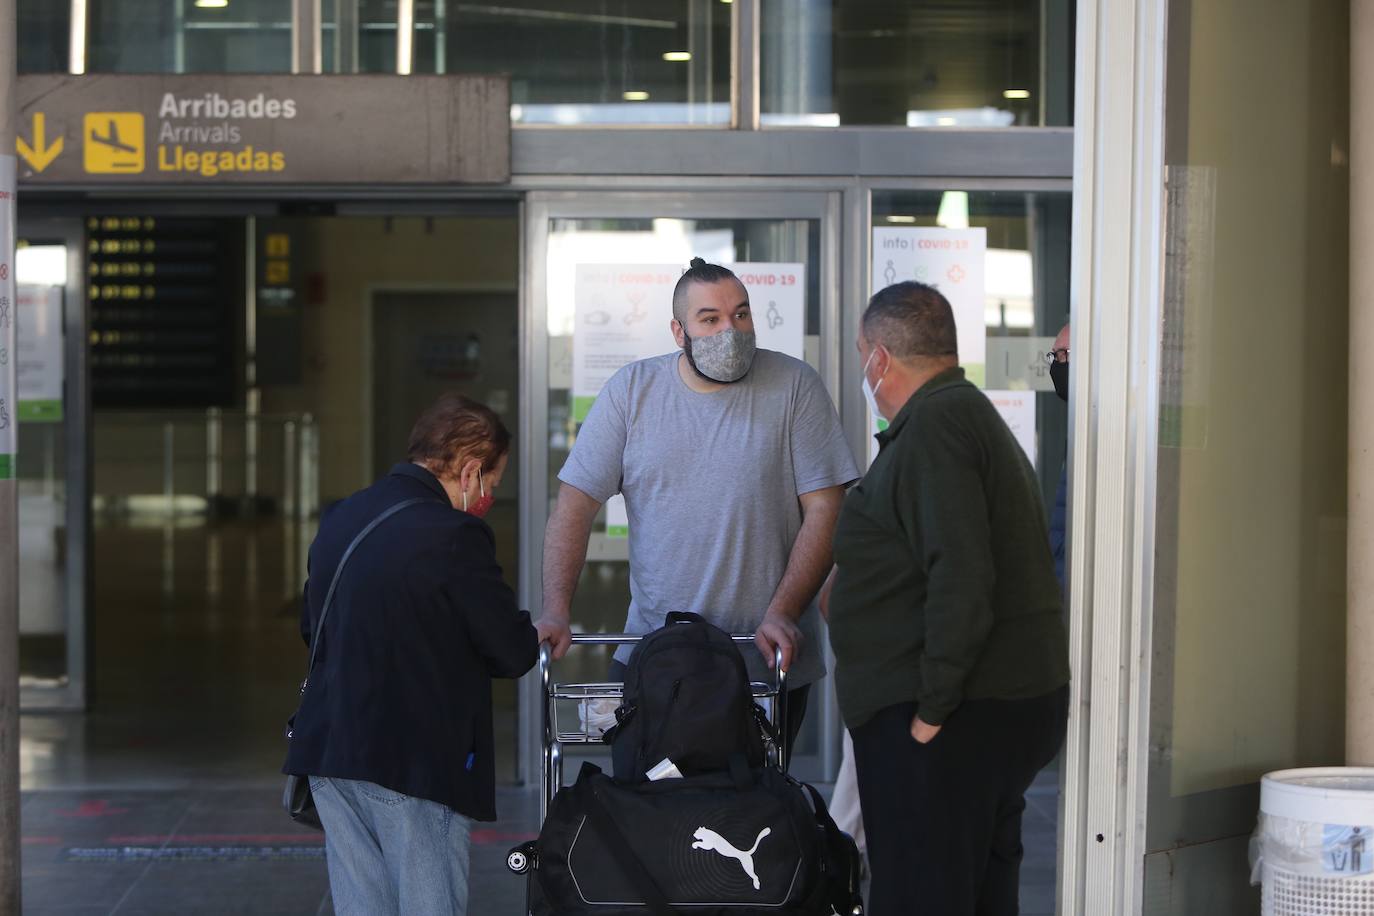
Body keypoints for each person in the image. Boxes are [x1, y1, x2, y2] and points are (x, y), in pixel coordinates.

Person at [538, 258, 859, 750]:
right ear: (678, 330)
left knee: (754, 819)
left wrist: (783, 611)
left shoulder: (794, 385)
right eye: (709, 319)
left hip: (764, 661)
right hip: (654, 657)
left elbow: (826, 508)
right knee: (647, 813)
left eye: (741, 314)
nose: (729, 330)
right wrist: (557, 610)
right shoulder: (632, 391)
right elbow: (575, 504)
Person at [827, 281, 1071, 916]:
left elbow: (962, 578)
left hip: (951, 720)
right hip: (983, 714)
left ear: (880, 357)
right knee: (979, 893)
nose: (864, 370)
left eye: (861, 355)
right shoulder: (964, 416)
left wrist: (931, 713)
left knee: (921, 895)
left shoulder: (936, 428)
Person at [282, 394, 554, 916]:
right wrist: (535, 631)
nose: (488, 497)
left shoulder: (343, 515)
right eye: (492, 484)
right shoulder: (455, 535)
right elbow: (509, 650)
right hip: (415, 760)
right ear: (471, 470)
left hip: (331, 750)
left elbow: (311, 626)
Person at [1047, 322, 1071, 590]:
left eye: (1065, 354)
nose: (1057, 364)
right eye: (1054, 355)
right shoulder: (1077, 425)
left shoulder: (1106, 428)